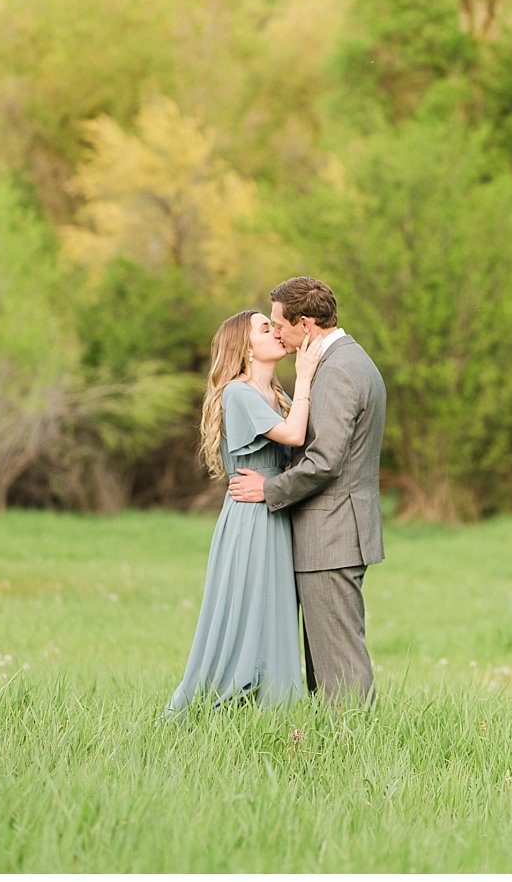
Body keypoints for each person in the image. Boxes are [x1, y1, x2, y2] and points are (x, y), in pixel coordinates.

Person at [227, 276, 387, 704]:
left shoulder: (338, 372)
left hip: (331, 533)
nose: (277, 333)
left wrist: (270, 489)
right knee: (326, 658)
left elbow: (326, 460)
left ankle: (351, 746)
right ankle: (331, 747)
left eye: (280, 324)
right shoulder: (345, 361)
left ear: (306, 323)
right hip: (335, 530)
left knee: (338, 660)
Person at [167, 310, 323, 713]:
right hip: (250, 517)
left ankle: (274, 704)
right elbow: (293, 435)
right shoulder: (239, 393)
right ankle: (219, 697)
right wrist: (306, 376)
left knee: (275, 608)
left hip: (274, 509)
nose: (275, 332)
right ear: (245, 347)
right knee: (246, 606)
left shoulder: (279, 395)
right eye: (264, 327)